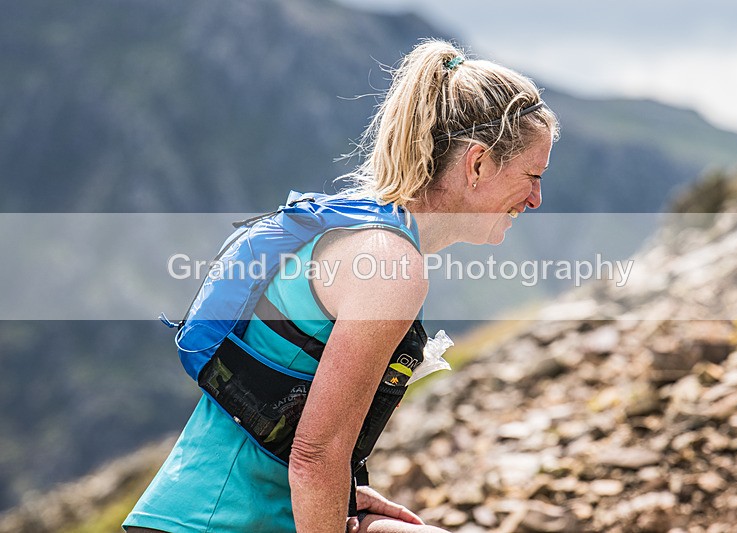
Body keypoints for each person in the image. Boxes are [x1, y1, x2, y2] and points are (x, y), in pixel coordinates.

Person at [123, 38, 558, 533]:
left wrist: (343, 494)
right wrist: (329, 483)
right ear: (477, 164)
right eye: (532, 175)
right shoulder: (391, 264)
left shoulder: (360, 228)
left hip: (204, 513)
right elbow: (314, 456)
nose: (537, 198)